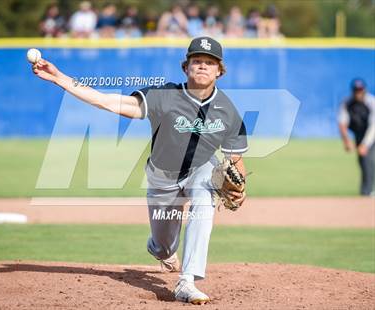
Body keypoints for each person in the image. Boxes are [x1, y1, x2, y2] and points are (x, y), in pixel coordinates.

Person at [31, 36, 248, 304]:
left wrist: (240, 188)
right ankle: (160, 249)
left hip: (200, 169)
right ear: (186, 67)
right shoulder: (163, 96)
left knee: (204, 193)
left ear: (219, 70)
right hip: (163, 176)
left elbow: (234, 157)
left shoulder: (227, 110)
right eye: (197, 61)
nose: (202, 66)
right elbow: (106, 101)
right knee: (164, 245)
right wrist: (60, 79)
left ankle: (187, 281)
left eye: (209, 62)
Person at [338, 78, 375, 196]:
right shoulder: (347, 103)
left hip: (372, 134)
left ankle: (367, 192)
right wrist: (346, 140)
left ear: (364, 90)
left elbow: (373, 126)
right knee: (361, 161)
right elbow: (342, 123)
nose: (358, 93)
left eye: (360, 90)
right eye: (356, 90)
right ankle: (366, 192)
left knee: (368, 159)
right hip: (359, 134)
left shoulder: (371, 102)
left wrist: (365, 144)